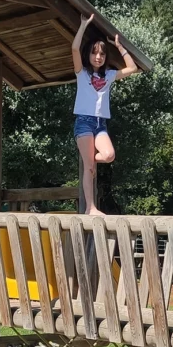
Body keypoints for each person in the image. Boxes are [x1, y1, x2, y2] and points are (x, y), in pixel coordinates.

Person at [72, 12, 139, 215]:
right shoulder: (82, 73)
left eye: (102, 53)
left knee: (109, 155)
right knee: (90, 169)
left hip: (100, 124)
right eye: (94, 53)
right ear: (89, 54)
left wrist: (119, 46)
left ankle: (89, 158)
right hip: (83, 122)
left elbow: (132, 67)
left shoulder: (109, 75)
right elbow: (74, 48)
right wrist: (83, 25)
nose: (98, 57)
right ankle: (90, 208)